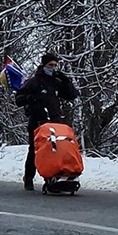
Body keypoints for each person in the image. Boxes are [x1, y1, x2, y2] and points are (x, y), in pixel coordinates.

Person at [15, 54, 80, 190]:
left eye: (55, 65)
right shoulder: (34, 82)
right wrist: (30, 98)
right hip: (37, 120)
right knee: (35, 150)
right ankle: (28, 178)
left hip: (54, 121)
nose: (53, 68)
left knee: (55, 149)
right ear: (44, 65)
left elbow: (72, 95)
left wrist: (65, 80)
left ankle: (53, 179)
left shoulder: (56, 82)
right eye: (50, 65)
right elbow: (19, 99)